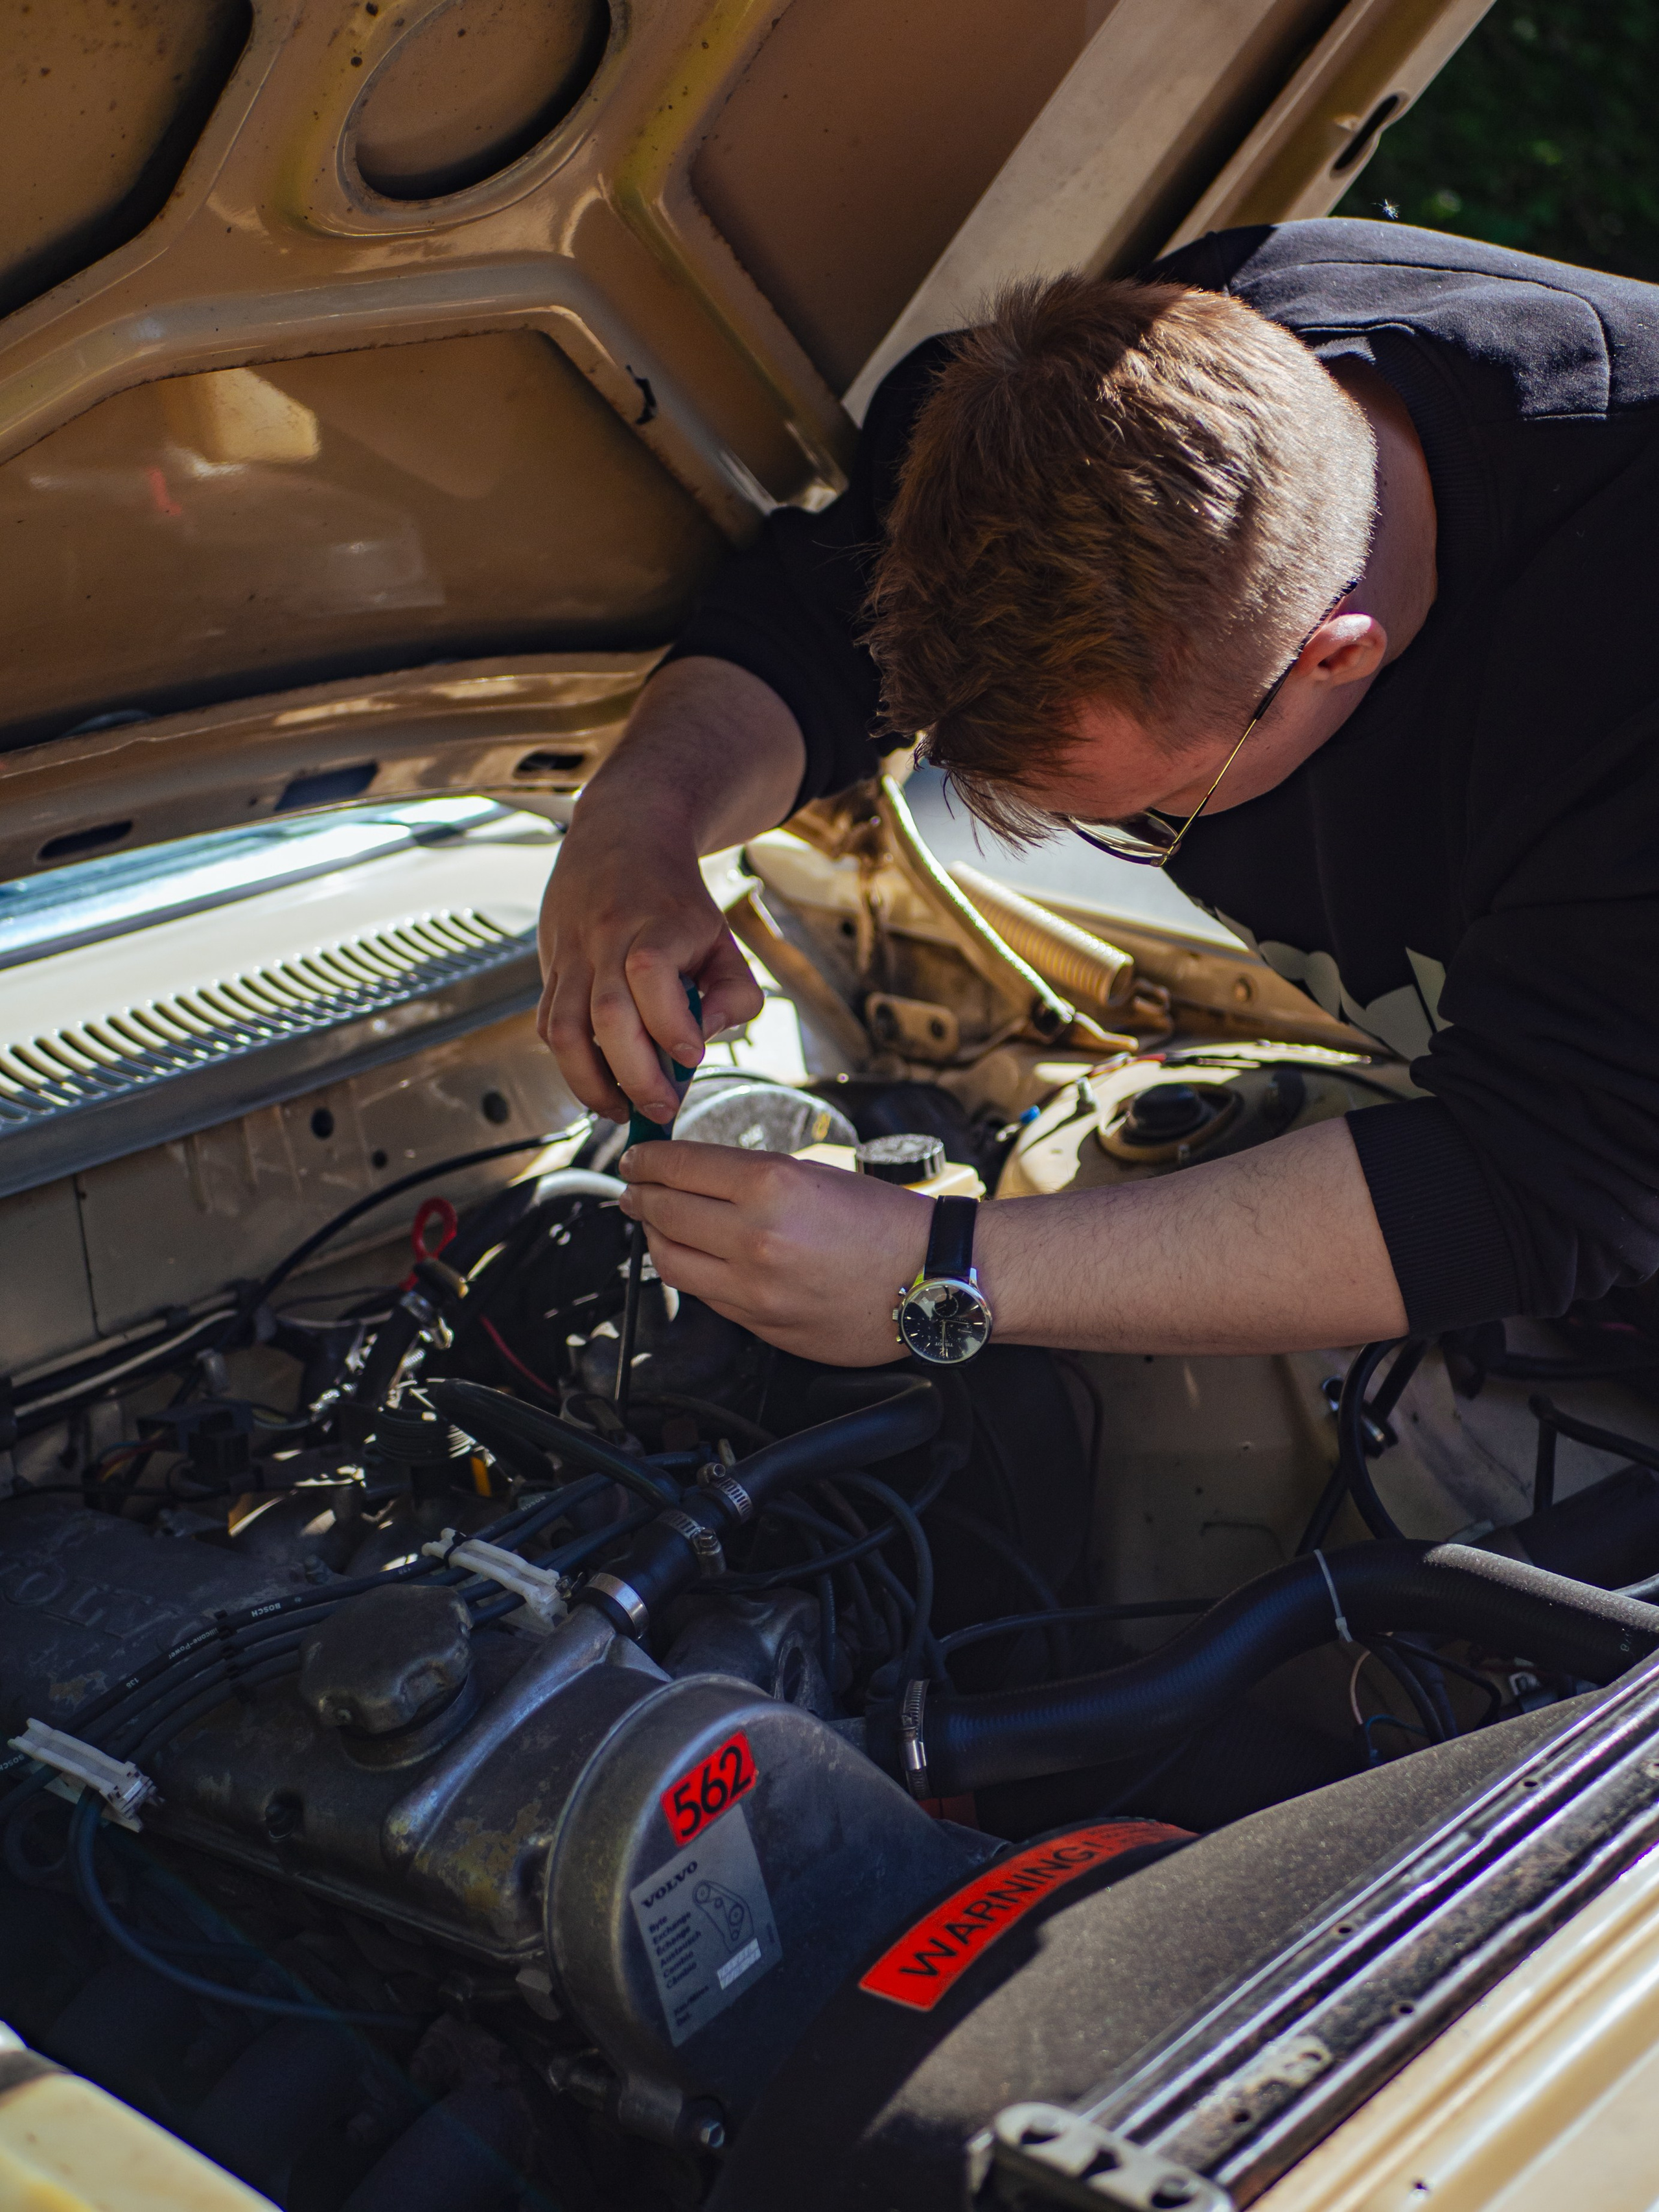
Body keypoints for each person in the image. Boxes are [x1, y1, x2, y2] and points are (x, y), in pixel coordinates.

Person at [536, 218, 1659, 1369]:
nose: (1119, 837)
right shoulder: (1119, 396)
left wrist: (948, 1269)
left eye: (1150, 813)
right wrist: (638, 822)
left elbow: (1537, 1181)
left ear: (1336, 656)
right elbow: (815, 626)